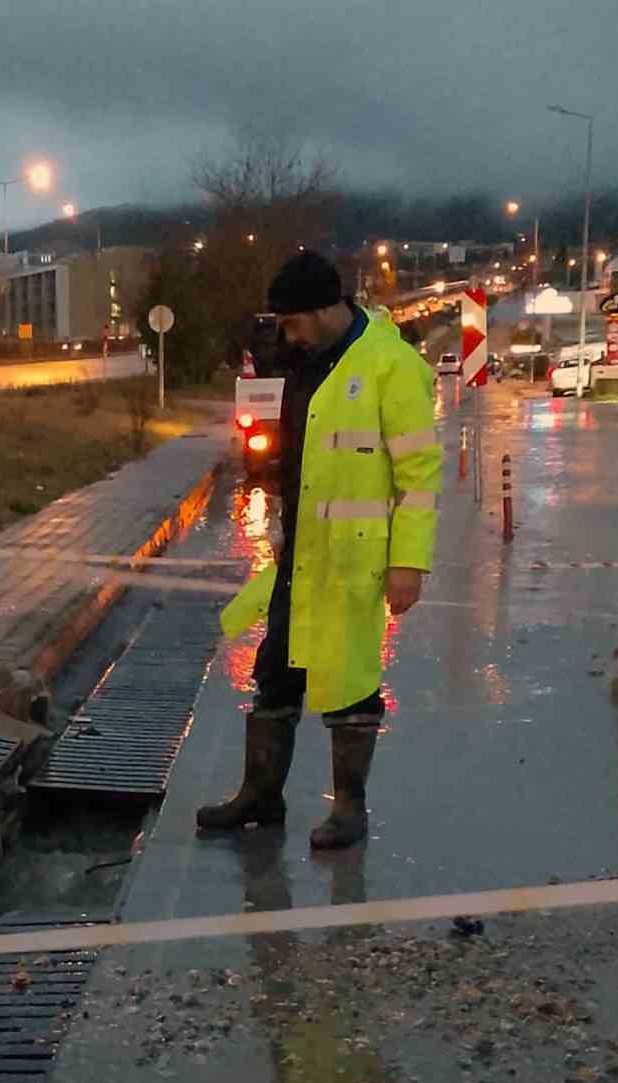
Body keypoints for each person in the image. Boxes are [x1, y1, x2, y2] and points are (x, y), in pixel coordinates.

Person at [197, 250, 442, 849]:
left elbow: (419, 474)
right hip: (303, 553)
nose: (287, 331)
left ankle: (349, 809)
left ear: (326, 308)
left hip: (356, 560)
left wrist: (408, 563)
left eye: (293, 319)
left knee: (350, 681)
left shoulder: (390, 365)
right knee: (275, 672)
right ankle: (261, 796)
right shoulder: (309, 360)